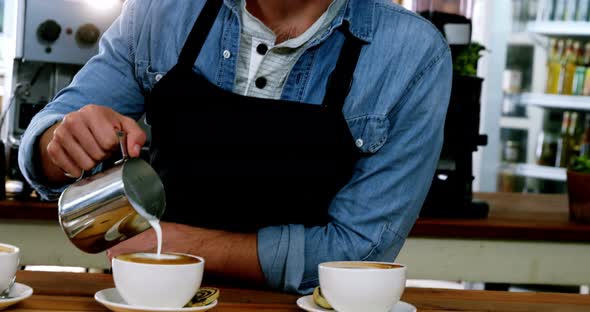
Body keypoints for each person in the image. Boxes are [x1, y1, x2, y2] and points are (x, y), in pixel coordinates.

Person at [19, 0, 452, 293]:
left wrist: (175, 243)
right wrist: (61, 143)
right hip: (152, 299)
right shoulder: (161, 11)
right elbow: (44, 150)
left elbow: (358, 251)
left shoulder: (412, 55)